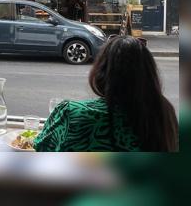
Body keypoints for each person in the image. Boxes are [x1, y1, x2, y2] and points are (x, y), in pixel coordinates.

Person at [34, 36, 178, 151]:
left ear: (100, 72)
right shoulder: (165, 114)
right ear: (148, 74)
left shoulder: (71, 114)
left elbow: (40, 150)